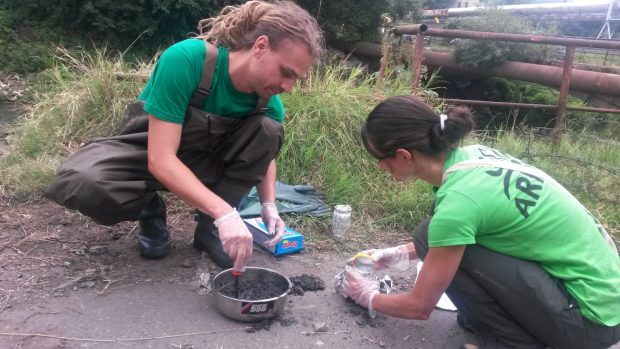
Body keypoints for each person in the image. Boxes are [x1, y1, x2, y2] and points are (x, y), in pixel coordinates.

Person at [45, 0, 323, 273]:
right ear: (260, 46)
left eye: (295, 79)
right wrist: (226, 213)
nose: (288, 86)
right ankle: (148, 209)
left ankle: (208, 231)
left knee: (269, 130)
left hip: (204, 162)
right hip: (151, 152)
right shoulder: (187, 60)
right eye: (285, 72)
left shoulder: (268, 101)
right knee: (83, 182)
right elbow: (161, 159)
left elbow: (263, 158)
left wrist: (268, 206)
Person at [342, 95, 620, 349]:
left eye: (380, 159)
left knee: (430, 236)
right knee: (428, 235)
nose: (381, 167)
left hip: (590, 324)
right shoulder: (473, 156)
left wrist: (367, 295)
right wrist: (398, 254)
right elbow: (460, 230)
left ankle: (514, 343)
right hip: (606, 298)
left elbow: (419, 307)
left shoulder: (459, 202)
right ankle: (507, 326)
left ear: (404, 155)